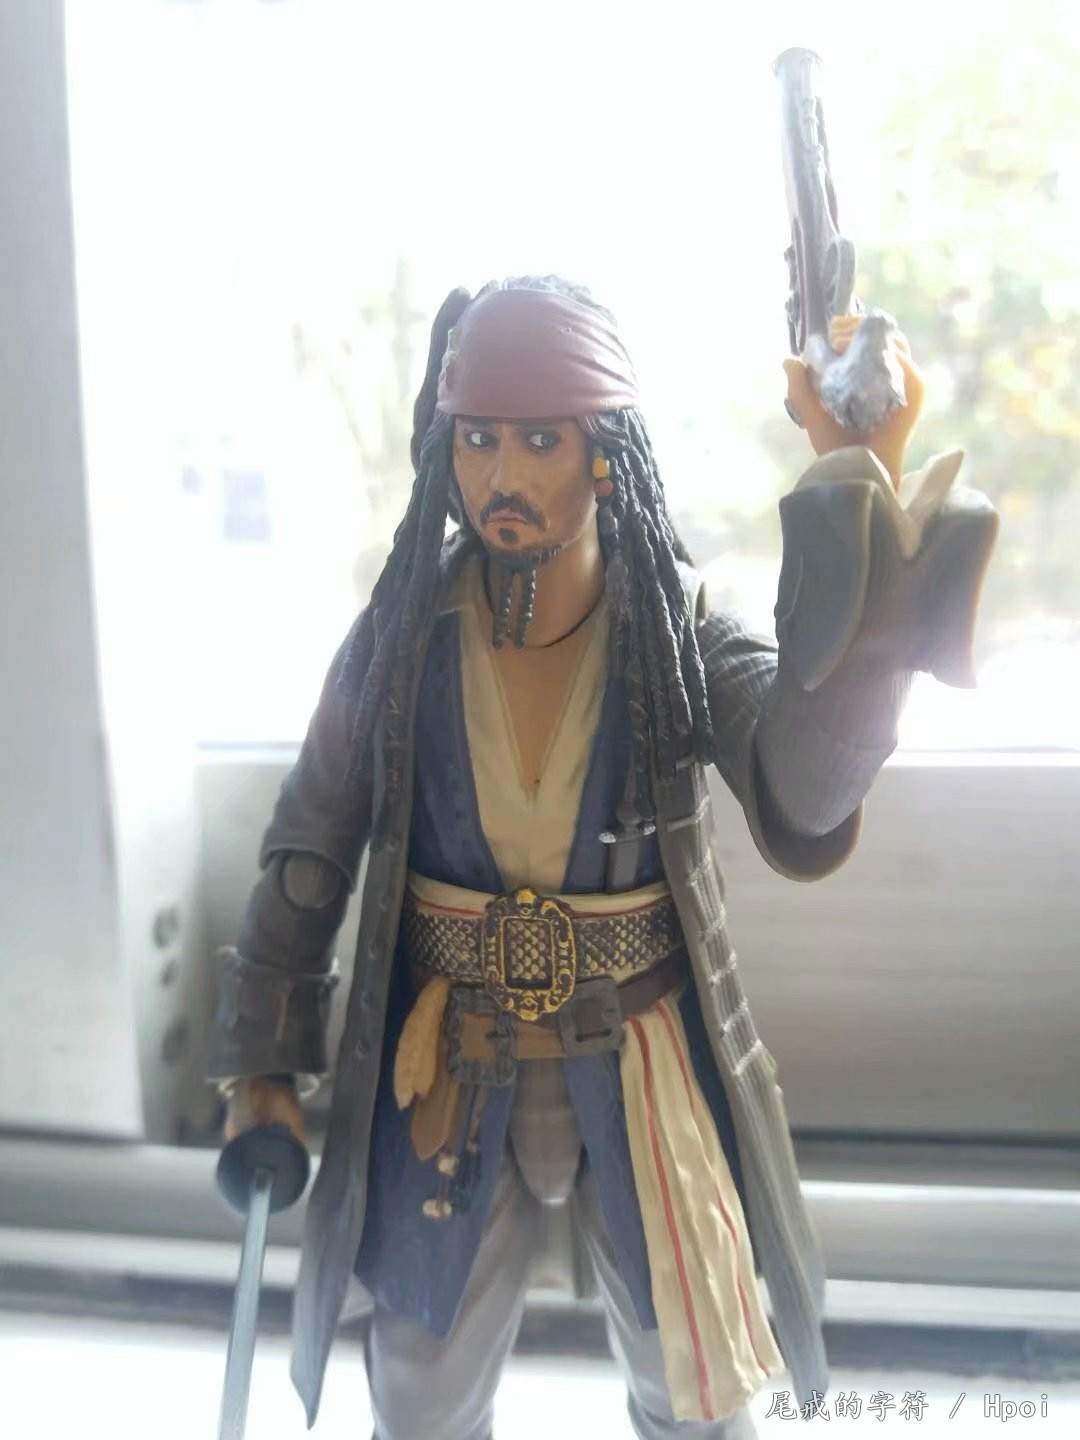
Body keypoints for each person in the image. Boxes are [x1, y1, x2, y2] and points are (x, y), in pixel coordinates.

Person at [208, 276, 998, 1439]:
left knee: (696, 1389)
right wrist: (263, 1063)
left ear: (606, 452)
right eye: (479, 438)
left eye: (542, 440)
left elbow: (804, 785)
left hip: (640, 1068)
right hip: (448, 1068)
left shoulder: (674, 629)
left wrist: (858, 503)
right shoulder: (401, 637)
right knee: (419, 1394)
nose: (503, 474)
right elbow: (311, 848)